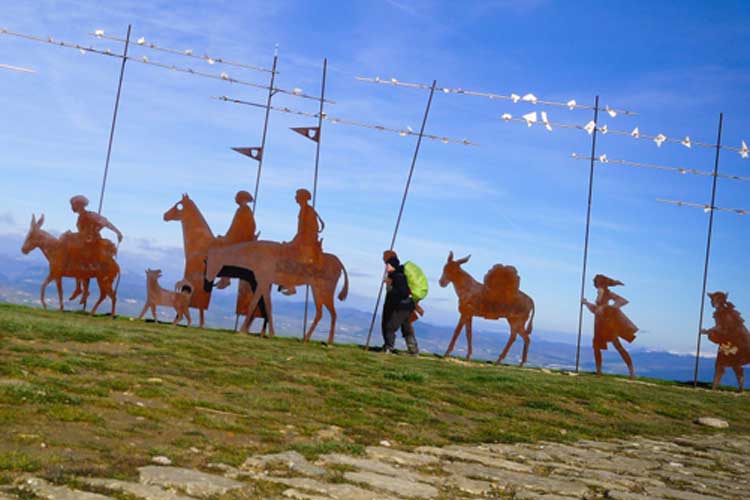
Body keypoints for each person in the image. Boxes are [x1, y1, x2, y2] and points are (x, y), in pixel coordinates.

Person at [65, 195, 123, 301]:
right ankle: (80, 288)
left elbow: (105, 222)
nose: (72, 207)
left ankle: (82, 289)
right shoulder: (81, 216)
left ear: (79, 205)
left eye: (73, 205)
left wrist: (117, 232)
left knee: (75, 255)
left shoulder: (90, 215)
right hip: (83, 240)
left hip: (91, 243)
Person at [582, 274, 637, 379]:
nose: (595, 284)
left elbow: (622, 301)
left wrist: (608, 309)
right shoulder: (600, 292)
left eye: (596, 282)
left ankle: (631, 372)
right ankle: (599, 372)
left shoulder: (608, 293)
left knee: (618, 347)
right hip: (599, 324)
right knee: (597, 347)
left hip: (607, 324)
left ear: (600, 283)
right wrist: (586, 303)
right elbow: (596, 309)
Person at [281, 188, 325, 296]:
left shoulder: (307, 210)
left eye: (297, 196)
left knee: (291, 256)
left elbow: (306, 230)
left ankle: (291, 285)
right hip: (303, 239)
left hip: (306, 241)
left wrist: (293, 242)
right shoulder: (304, 209)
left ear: (302, 198)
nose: (295, 198)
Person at [381, 253, 419, 355]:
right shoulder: (400, 275)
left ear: (392, 266)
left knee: (390, 326)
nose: (386, 266)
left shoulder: (397, 277)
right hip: (408, 306)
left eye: (388, 265)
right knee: (406, 327)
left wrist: (391, 288)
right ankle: (413, 351)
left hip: (403, 306)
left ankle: (388, 348)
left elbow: (404, 292)